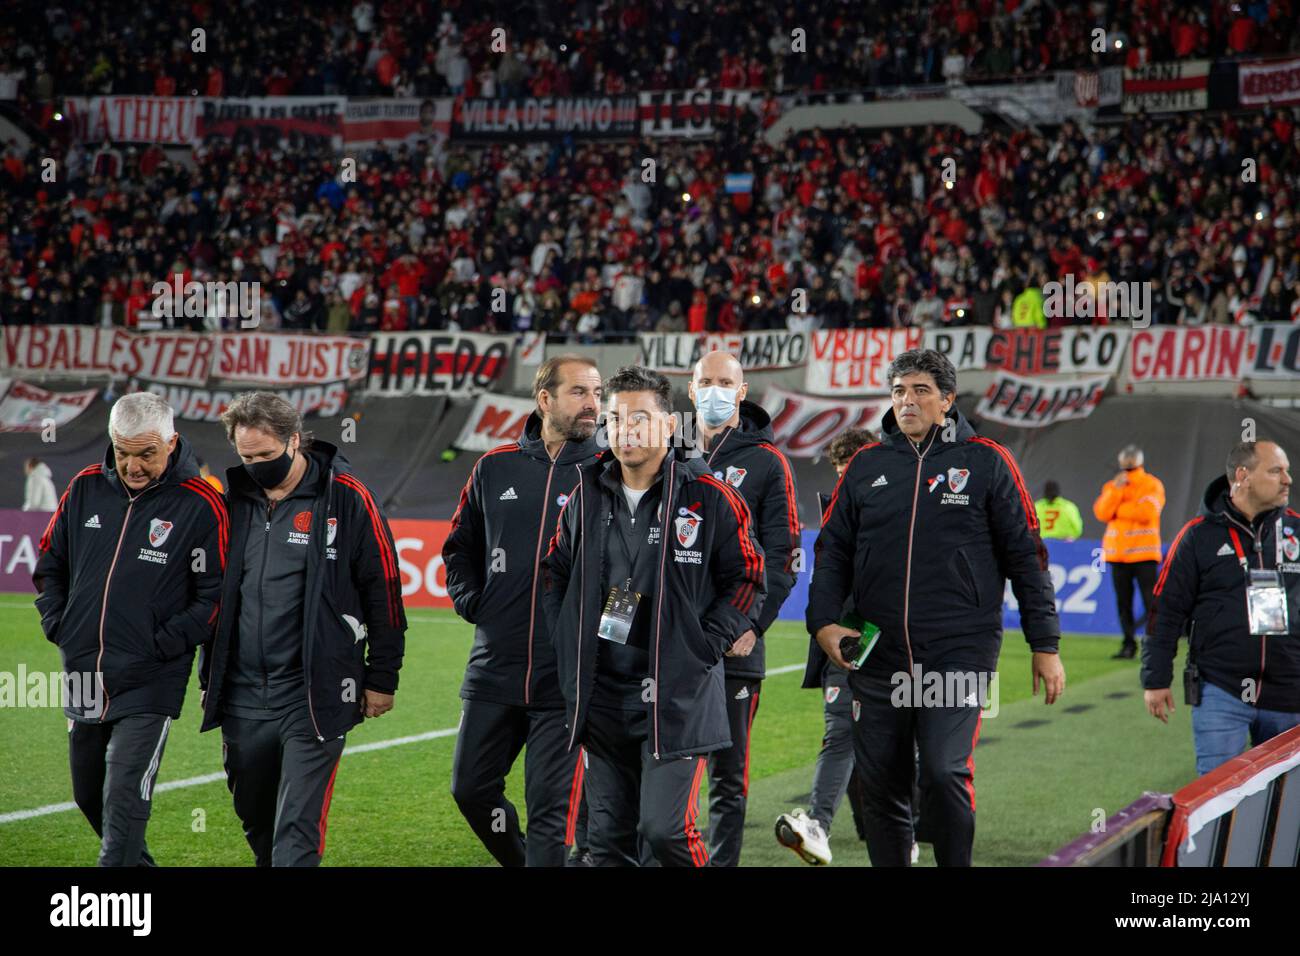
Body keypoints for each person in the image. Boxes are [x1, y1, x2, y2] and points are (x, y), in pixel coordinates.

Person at [806, 348, 1065, 867]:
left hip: (958, 651)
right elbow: (831, 550)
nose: (907, 400)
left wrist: (1045, 644)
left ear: (947, 400)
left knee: (944, 773)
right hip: (877, 653)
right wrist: (824, 622)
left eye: (921, 390)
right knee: (881, 784)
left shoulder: (988, 461)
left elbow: (1027, 554)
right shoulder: (866, 465)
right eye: (899, 390)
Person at [541, 366, 766, 866]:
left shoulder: (708, 495)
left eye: (640, 419)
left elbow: (749, 577)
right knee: (608, 844)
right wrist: (566, 637)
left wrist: (703, 644)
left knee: (664, 833)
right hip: (602, 695)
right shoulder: (587, 494)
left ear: (669, 426)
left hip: (676, 697)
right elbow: (555, 570)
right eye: (616, 420)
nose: (626, 431)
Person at [199, 392, 406, 866]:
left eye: (266, 456)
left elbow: (385, 589)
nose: (255, 466)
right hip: (242, 693)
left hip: (314, 692)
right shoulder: (232, 503)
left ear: (295, 440)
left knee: (296, 826)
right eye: (245, 457)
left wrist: (382, 676)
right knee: (256, 817)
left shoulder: (348, 497)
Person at [32, 393, 228, 865]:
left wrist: (163, 644)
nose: (132, 466)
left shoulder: (203, 504)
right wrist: (59, 624)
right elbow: (50, 564)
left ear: (172, 442)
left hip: (150, 678)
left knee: (124, 797)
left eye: (146, 454)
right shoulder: (83, 488)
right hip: (84, 672)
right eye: (123, 453)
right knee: (89, 795)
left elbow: (216, 595)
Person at [442, 355, 602, 867]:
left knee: (551, 811)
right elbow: (458, 548)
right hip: (495, 669)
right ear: (545, 399)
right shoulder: (495, 466)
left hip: (567, 679)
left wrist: (607, 636)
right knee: (470, 789)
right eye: (579, 392)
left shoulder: (610, 472)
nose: (592, 403)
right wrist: (472, 601)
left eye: (597, 393)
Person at [688, 350, 799, 867]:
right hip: (671, 639)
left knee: (726, 776)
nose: (714, 390)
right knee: (659, 762)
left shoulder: (767, 462)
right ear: (690, 391)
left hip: (735, 642)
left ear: (742, 390)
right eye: (705, 381)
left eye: (724, 382)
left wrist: (753, 625)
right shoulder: (669, 453)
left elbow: (783, 556)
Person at [1142, 441, 1300, 775]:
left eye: (1286, 470)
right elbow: (1166, 612)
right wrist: (1156, 678)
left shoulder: (1296, 531)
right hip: (1221, 690)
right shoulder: (1198, 536)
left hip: (1290, 691)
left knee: (1288, 807)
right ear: (1242, 476)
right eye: (1276, 470)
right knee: (1216, 800)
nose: (1287, 479)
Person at [777, 426, 878, 866]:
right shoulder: (836, 511)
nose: (843, 481)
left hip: (895, 641)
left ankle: (900, 827)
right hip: (844, 638)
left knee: (895, 742)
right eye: (839, 473)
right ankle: (818, 826)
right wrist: (822, 627)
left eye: (850, 471)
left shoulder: (903, 507)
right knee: (840, 733)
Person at [1094, 445, 1165, 659]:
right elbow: (1102, 512)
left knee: (1150, 602)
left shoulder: (1151, 484)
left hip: (1144, 554)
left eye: (1130, 467)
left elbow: (1147, 512)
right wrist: (1116, 491)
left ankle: (1156, 644)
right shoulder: (1113, 486)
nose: (1127, 470)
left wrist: (1120, 509)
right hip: (1118, 555)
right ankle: (1128, 644)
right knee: (1123, 603)